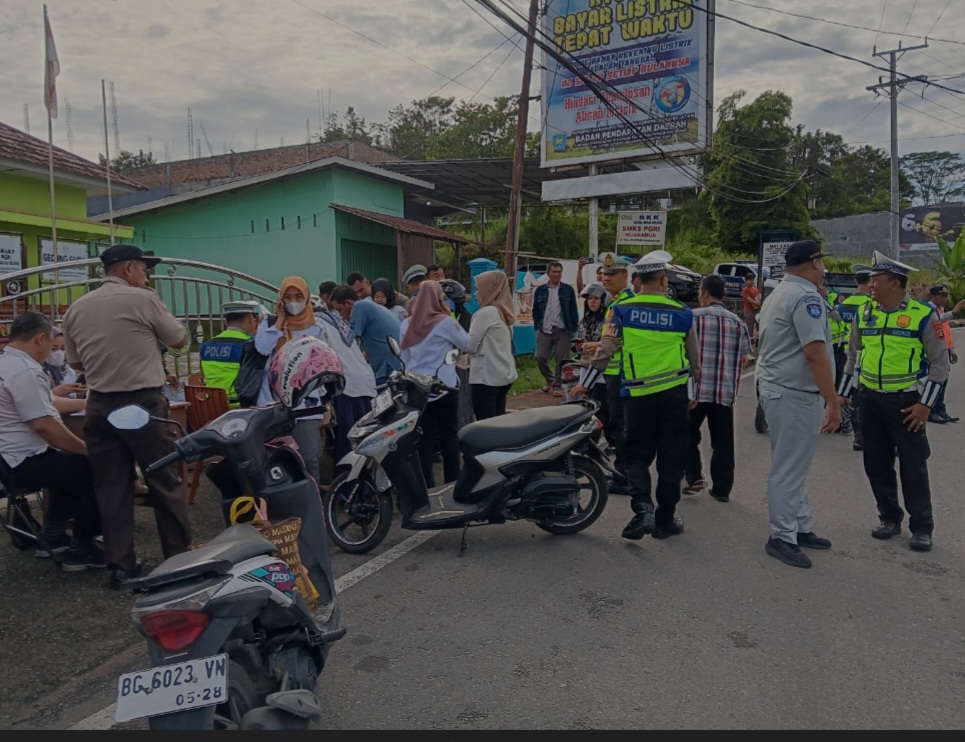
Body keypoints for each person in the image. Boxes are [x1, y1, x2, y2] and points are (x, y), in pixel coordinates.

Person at [62, 244, 192, 588]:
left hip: (101, 404)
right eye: (144, 270)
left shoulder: (77, 308)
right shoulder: (143, 299)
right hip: (141, 404)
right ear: (128, 269)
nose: (146, 276)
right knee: (163, 480)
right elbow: (179, 340)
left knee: (111, 485)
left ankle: (121, 566)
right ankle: (178, 561)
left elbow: (75, 363)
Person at [572, 251, 700, 542]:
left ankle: (643, 509)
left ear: (638, 280)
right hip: (675, 395)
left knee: (635, 455)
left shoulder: (622, 310)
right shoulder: (682, 311)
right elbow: (694, 360)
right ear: (665, 280)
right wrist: (693, 392)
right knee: (671, 458)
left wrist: (587, 383)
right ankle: (665, 521)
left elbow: (604, 353)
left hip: (638, 395)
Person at [837, 252, 951, 553]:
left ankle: (922, 527)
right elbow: (852, 358)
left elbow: (940, 365)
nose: (870, 284)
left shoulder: (923, 314)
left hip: (907, 402)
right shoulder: (865, 314)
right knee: (876, 461)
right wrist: (843, 394)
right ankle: (889, 518)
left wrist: (925, 405)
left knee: (913, 466)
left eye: (876, 279)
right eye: (871, 279)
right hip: (870, 399)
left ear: (895, 283)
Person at [755, 240, 840, 569]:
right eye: (822, 262)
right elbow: (814, 352)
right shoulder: (805, 297)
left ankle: (799, 526)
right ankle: (782, 536)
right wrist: (832, 402)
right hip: (794, 393)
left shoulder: (779, 292)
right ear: (815, 263)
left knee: (793, 464)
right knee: (789, 469)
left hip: (778, 388)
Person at [0, 312, 103, 571]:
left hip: (9, 458)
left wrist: (90, 404)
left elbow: (48, 403)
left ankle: (54, 535)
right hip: (20, 461)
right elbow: (44, 425)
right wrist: (88, 450)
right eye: (51, 344)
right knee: (94, 466)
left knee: (67, 463)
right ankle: (82, 549)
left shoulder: (6, 365)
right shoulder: (25, 371)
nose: (53, 350)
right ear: (41, 338)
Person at [683, 274, 752, 503]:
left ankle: (694, 477)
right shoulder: (737, 322)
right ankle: (722, 489)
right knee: (722, 441)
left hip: (696, 390)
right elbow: (744, 358)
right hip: (724, 390)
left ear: (703, 293)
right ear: (723, 295)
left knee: (687, 434)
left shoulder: (693, 317)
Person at [400, 280, 471, 486]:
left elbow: (404, 358)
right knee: (449, 436)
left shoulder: (406, 324)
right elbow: (467, 344)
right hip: (445, 388)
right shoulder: (445, 322)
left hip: (417, 390)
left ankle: (428, 487)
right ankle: (452, 483)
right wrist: (448, 314)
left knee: (424, 439)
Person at [311, 293, 378, 466]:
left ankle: (347, 488)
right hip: (364, 381)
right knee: (363, 439)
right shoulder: (336, 321)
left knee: (348, 441)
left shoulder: (315, 325)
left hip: (346, 386)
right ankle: (365, 487)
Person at [595, 252, 635, 494]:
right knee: (618, 425)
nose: (606, 278)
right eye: (604, 274)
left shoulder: (622, 305)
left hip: (618, 373)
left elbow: (612, 345)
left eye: (611, 274)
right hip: (617, 372)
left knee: (620, 426)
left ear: (624, 275)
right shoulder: (619, 301)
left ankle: (623, 477)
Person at [468, 270, 518, 420]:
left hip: (486, 378)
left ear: (489, 289)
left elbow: (469, 346)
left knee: (485, 424)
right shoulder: (504, 310)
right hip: (502, 375)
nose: (476, 293)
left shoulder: (486, 313)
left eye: (478, 288)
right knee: (498, 421)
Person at [330, 285, 403, 385]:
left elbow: (350, 342)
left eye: (339, 310)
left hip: (387, 368)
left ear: (348, 303)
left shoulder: (358, 307)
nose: (340, 315)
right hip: (394, 365)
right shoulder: (369, 306)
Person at [836, 265, 875, 450]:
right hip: (862, 356)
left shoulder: (843, 304)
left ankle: (844, 424)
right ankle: (861, 435)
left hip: (841, 353)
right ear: (870, 282)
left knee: (844, 391)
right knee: (860, 396)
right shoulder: (870, 306)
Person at [200, 300, 262, 407]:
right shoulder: (250, 345)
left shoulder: (206, 345)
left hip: (212, 405)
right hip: (239, 406)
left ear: (225, 322)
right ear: (251, 319)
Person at [532, 261, 579, 397]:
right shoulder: (540, 291)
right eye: (554, 272)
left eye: (559, 272)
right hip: (545, 330)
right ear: (548, 273)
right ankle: (550, 379)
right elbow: (536, 310)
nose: (557, 274)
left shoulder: (567, 290)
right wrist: (537, 326)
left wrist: (572, 328)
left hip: (563, 330)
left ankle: (557, 386)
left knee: (562, 359)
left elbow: (573, 311)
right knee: (540, 357)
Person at [574, 284, 611, 441]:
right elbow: (580, 346)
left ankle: (608, 439)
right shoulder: (584, 321)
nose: (592, 302)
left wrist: (596, 345)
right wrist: (578, 346)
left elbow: (610, 344)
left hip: (602, 370)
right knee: (587, 405)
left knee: (602, 406)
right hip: (586, 367)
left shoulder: (608, 321)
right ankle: (590, 439)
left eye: (596, 298)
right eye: (589, 298)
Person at [924, 284, 962, 424]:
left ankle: (941, 409)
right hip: (934, 352)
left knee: (943, 381)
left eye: (946, 296)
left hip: (944, 350)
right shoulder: (928, 310)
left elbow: (945, 333)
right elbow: (935, 322)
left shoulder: (940, 309)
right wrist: (953, 312)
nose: (945, 299)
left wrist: (951, 349)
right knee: (935, 381)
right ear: (932, 297)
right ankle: (932, 411)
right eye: (942, 296)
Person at [42, 327, 80, 391]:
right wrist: (54, 394)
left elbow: (73, 396)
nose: (59, 352)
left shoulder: (68, 372)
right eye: (53, 349)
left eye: (63, 349)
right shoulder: (36, 371)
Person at [741, 274, 762, 349]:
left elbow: (759, 296)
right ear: (746, 281)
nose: (751, 281)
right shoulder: (745, 290)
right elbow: (748, 299)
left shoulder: (755, 288)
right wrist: (759, 304)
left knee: (759, 326)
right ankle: (749, 343)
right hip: (749, 310)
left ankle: (756, 342)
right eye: (750, 280)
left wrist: (760, 303)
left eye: (752, 280)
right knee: (749, 327)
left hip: (757, 310)